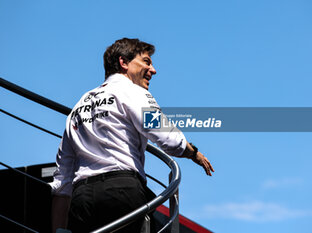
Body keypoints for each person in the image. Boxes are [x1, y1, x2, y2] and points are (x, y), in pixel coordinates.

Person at [50, 38, 214, 233]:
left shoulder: (78, 107)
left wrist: (59, 230)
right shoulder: (133, 92)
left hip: (82, 200)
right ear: (124, 62)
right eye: (146, 61)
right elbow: (167, 137)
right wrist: (192, 152)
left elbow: (62, 182)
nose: (153, 70)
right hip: (122, 191)